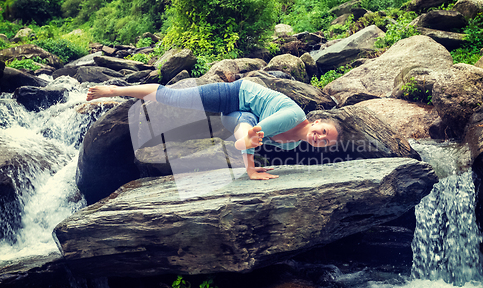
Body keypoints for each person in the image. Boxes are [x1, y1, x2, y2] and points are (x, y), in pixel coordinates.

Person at [86, 79, 339, 180]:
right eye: (324, 131)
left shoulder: (292, 144)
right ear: (317, 122)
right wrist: (249, 164)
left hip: (238, 118)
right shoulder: (293, 115)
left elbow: (254, 137)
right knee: (173, 98)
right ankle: (115, 90)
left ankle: (242, 144)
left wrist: (249, 163)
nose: (320, 138)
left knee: (247, 129)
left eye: (325, 142)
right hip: (232, 94)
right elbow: (256, 135)